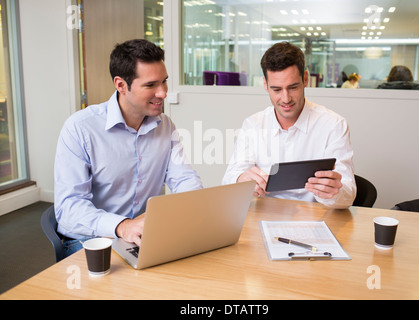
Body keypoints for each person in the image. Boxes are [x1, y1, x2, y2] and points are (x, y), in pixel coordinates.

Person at [54, 39, 203, 258]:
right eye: (151, 85)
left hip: (139, 236)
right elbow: (68, 208)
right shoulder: (81, 128)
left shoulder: (165, 125)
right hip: (90, 239)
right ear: (121, 85)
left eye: (164, 82)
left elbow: (184, 179)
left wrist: (196, 209)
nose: (162, 93)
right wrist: (122, 226)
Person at [222, 42, 356, 209]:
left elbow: (348, 194)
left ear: (305, 79)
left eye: (293, 87)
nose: (285, 99)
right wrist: (240, 179)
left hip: (315, 219)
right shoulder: (253, 125)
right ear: (265, 84)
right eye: (277, 90)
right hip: (264, 217)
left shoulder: (333, 125)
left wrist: (334, 193)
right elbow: (229, 178)